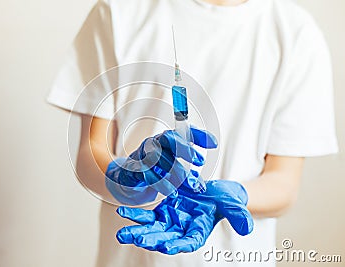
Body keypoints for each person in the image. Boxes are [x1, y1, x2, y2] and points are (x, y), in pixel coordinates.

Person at [47, 0, 338, 266]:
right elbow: (90, 153)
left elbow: (284, 184)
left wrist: (233, 195)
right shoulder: (119, 11)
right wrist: (125, 178)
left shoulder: (295, 33)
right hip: (133, 256)